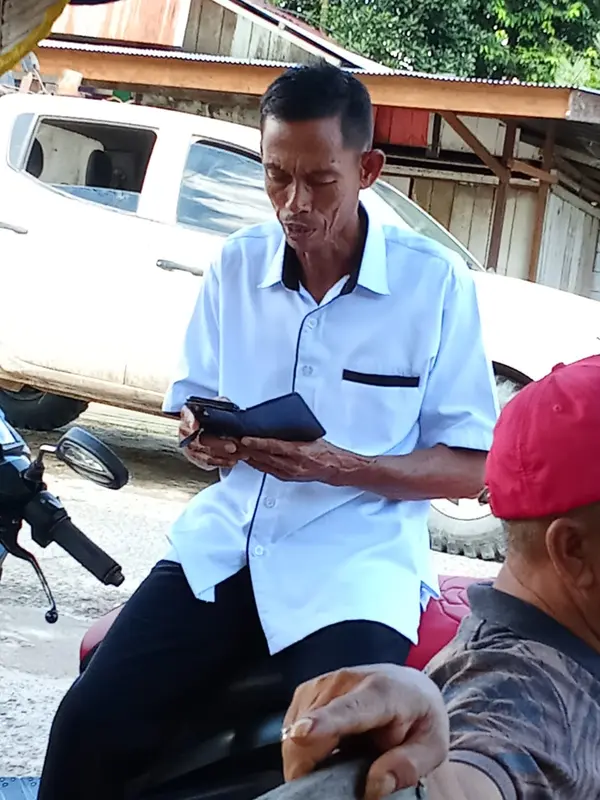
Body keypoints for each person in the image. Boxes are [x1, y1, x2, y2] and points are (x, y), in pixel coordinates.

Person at [38, 62, 497, 798]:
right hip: (226, 549)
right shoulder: (236, 265)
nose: (293, 203)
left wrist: (339, 467)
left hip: (356, 567)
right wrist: (203, 440)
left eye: (319, 181)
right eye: (277, 176)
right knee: (86, 728)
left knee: (340, 762)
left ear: (368, 169)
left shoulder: (432, 284)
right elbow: (192, 411)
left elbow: (472, 467)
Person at [279, 355, 600, 800]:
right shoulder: (523, 697)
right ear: (575, 551)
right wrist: (433, 777)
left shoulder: (578, 637)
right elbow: (477, 770)